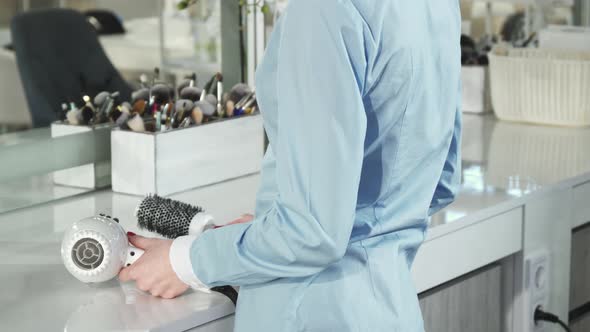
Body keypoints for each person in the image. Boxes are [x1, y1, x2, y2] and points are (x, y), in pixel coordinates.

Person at [118, 0, 462, 331]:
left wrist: (183, 261)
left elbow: (312, 233)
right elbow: (440, 183)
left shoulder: (323, 10)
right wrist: (273, 229)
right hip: (392, 311)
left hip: (310, 312)